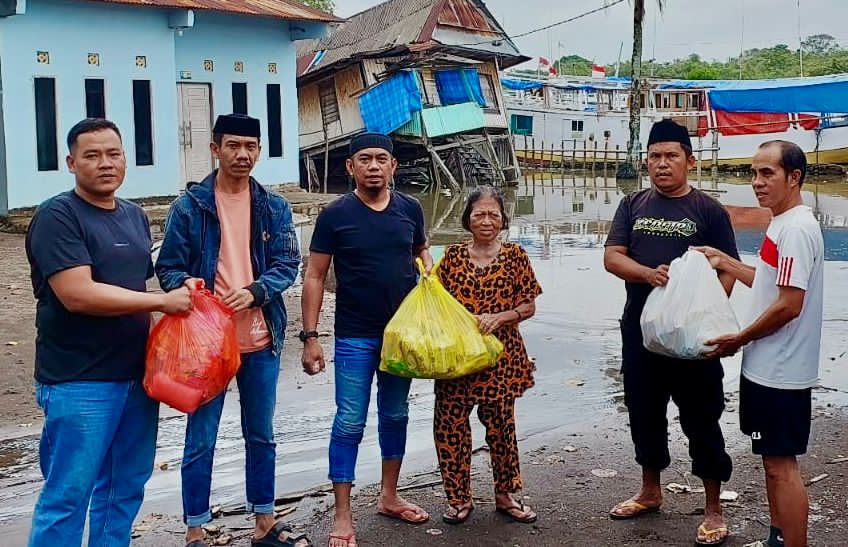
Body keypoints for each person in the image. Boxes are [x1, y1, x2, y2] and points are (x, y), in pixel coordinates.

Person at [25, 118, 192, 546]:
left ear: (124, 159)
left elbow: (134, 287)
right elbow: (77, 294)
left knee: (123, 489)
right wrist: (161, 302)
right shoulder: (57, 216)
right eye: (92, 155)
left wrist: (180, 296)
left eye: (113, 154)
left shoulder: (134, 216)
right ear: (71, 163)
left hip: (136, 378)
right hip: (79, 381)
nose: (105, 163)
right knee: (68, 496)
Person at [155, 114, 305, 547]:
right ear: (215, 149)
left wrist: (257, 291)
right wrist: (185, 283)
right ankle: (195, 530)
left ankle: (264, 522)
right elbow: (168, 267)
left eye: (250, 146)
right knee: (201, 438)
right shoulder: (189, 207)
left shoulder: (273, 206)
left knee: (261, 434)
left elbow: (287, 264)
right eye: (233, 145)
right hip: (205, 346)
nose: (242, 154)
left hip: (260, 338)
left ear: (259, 151)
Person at [603, 119, 739, 546]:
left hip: (693, 340)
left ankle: (713, 507)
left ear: (689, 161)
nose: (662, 164)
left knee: (702, 416)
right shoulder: (632, 205)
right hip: (641, 334)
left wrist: (706, 315)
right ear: (646, 161)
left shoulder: (709, 211)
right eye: (655, 157)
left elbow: (728, 269)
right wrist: (648, 274)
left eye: (671, 156)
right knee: (644, 411)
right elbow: (612, 257)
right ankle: (650, 490)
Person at [300, 133, 434, 547]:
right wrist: (310, 336)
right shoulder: (335, 214)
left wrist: (429, 275)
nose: (373, 166)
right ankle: (342, 514)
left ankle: (389, 495)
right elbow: (315, 276)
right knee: (349, 420)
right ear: (350, 166)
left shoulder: (410, 208)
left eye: (380, 159)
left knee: (395, 414)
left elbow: (422, 253)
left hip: (401, 336)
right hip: (354, 335)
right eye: (364, 159)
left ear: (393, 165)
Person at [695, 141, 823, 547]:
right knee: (771, 464)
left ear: (794, 177)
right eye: (753, 173)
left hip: (782, 370)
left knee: (782, 467)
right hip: (765, 365)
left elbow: (789, 305)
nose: (756, 182)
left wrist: (739, 338)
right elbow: (769, 284)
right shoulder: (781, 223)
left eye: (767, 173)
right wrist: (724, 261)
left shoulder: (797, 229)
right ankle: (777, 538)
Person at [433, 186, 542, 525]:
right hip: (458, 358)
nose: (486, 221)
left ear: (503, 219)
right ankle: (458, 499)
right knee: (450, 426)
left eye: (493, 214)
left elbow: (528, 305)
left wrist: (500, 317)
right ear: (467, 219)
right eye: (479, 214)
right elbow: (435, 301)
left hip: (500, 357)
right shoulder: (451, 257)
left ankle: (506, 495)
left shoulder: (515, 255)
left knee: (501, 429)